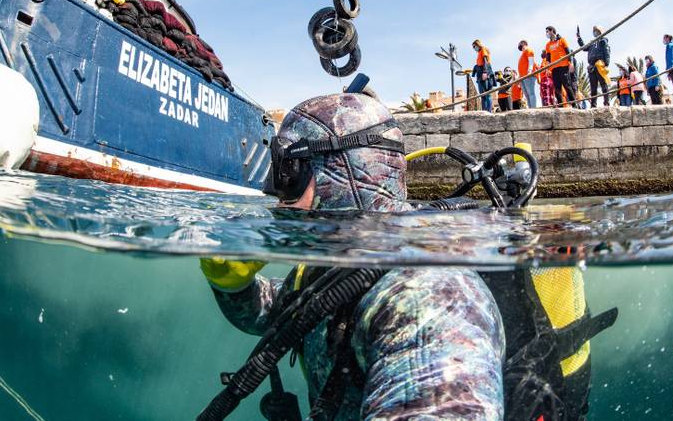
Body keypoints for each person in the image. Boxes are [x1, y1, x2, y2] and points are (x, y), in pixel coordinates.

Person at [198, 92, 616, 421]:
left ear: (343, 174)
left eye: (288, 173)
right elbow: (282, 318)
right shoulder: (331, 267)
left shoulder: (430, 301)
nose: (276, 197)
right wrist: (232, 284)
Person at [576, 26, 610, 107]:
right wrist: (579, 38)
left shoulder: (603, 41)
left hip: (600, 64)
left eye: (596, 31)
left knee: (603, 84)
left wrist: (606, 63)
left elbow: (607, 51)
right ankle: (593, 105)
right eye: (594, 31)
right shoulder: (592, 43)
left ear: (600, 32)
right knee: (593, 87)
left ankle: (606, 102)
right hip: (591, 66)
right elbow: (584, 48)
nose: (594, 32)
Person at [544, 26, 576, 108]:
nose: (547, 33)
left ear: (552, 31)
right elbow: (548, 58)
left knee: (567, 85)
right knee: (557, 88)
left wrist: (571, 63)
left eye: (547, 31)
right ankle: (561, 107)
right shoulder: (548, 45)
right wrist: (547, 69)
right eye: (546, 32)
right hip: (554, 68)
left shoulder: (562, 40)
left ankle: (574, 104)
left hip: (563, 66)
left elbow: (568, 52)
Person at [472, 40, 494, 113]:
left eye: (474, 46)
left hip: (485, 74)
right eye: (473, 47)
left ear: (478, 45)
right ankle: (484, 111)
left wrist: (485, 72)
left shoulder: (483, 49)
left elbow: (485, 61)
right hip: (480, 76)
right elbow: (479, 64)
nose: (474, 48)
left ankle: (489, 111)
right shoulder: (479, 53)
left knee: (487, 94)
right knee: (482, 95)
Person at [516, 40, 537, 109]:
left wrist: (530, 70)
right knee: (527, 95)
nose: (520, 46)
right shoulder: (523, 53)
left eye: (521, 44)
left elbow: (531, 61)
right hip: (523, 77)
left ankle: (533, 108)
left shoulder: (528, 50)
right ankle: (530, 108)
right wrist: (519, 77)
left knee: (531, 93)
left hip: (528, 75)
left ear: (524, 44)